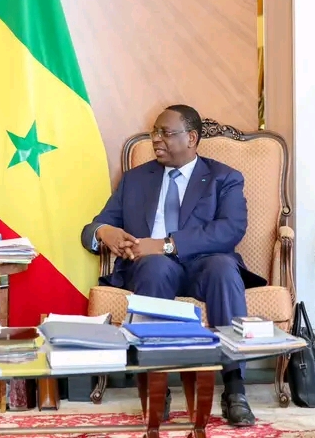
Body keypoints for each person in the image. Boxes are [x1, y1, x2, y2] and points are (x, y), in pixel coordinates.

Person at [81, 105, 266, 427]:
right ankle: (157, 388)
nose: (156, 139)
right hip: (153, 267)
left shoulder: (224, 177)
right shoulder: (136, 179)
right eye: (155, 132)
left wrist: (168, 244)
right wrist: (104, 232)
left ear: (191, 138)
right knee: (154, 267)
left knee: (224, 269)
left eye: (165, 133)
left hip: (206, 264)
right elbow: (93, 227)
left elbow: (231, 229)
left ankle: (235, 388)